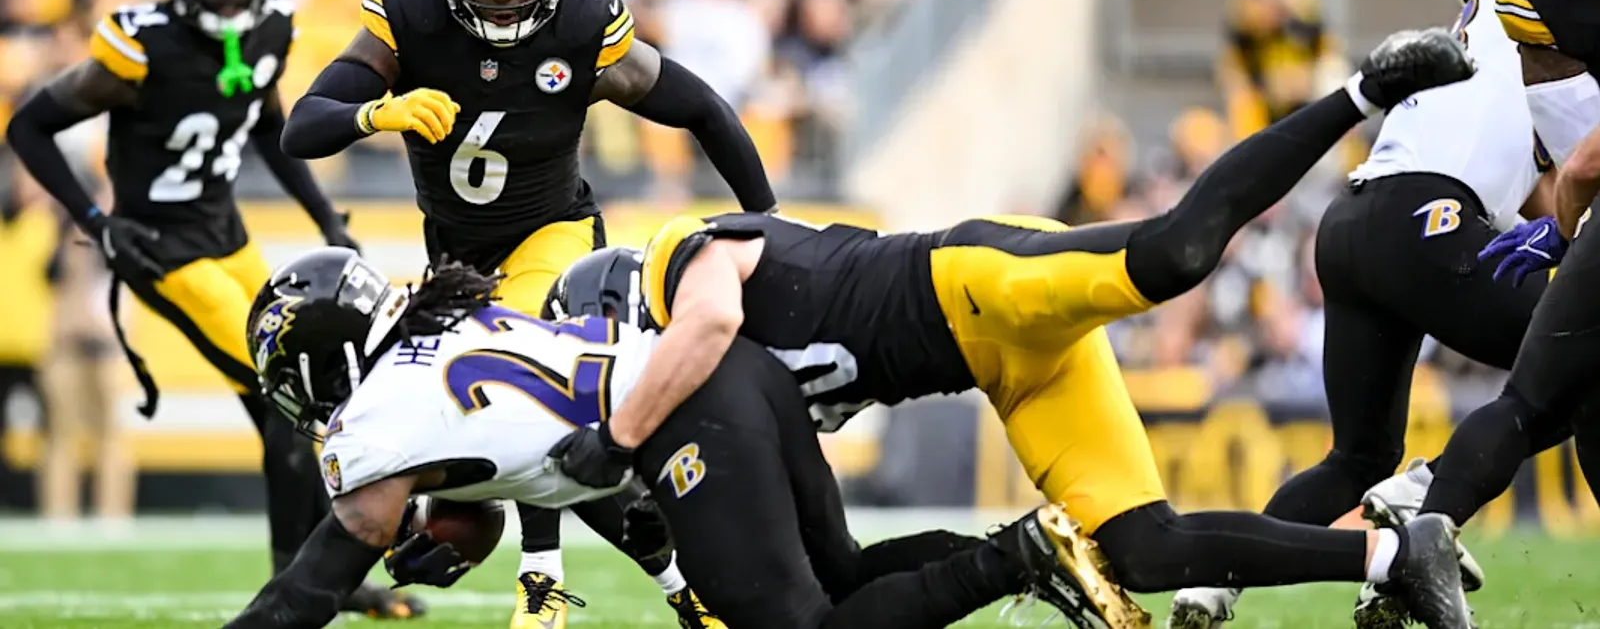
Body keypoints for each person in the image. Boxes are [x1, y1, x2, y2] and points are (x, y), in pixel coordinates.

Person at [546, 28, 1483, 629]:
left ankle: (1363, 91)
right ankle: (1395, 550)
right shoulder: (732, 392)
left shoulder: (682, 261)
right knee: (1146, 552)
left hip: (972, 287)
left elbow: (707, 318)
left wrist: (619, 435)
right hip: (1009, 374)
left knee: (1174, 257)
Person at [278, 0, 775, 629]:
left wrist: (766, 217)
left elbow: (701, 106)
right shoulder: (409, 11)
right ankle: (687, 588)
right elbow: (303, 126)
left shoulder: (583, 23)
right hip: (455, 259)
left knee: (518, 387)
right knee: (523, 431)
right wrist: (380, 111)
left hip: (555, 233)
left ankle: (541, 584)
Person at [221, 247, 1098, 629]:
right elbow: (491, 465)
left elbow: (309, 591)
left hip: (690, 417)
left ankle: (1018, 554)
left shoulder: (380, 414)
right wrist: (453, 525)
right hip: (727, 375)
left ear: (324, 358)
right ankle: (1042, 556)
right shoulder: (438, 333)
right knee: (846, 571)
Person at [4, 0, 413, 618]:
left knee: (292, 403)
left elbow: (264, 121)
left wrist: (324, 217)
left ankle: (320, 577)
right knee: (287, 395)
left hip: (227, 235)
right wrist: (96, 220)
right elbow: (30, 125)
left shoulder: (269, 26)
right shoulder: (141, 45)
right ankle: (305, 585)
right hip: (161, 246)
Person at [1170, 0, 1558, 628]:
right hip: (1424, 218)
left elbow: (1532, 199)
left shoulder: (1483, 50)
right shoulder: (1536, 24)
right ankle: (1426, 505)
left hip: (1355, 221)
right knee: (1574, 362)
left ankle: (1217, 581)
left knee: (1356, 456)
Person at [1384, 0, 1600, 601]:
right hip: (1459, 208)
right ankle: (1428, 511)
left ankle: (1427, 502)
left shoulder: (1521, 6)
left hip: (1404, 204)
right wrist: (1570, 226)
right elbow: (1576, 160)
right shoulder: (1535, 2)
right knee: (1556, 395)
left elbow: (1577, 166)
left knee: (1545, 395)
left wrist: (1568, 229)